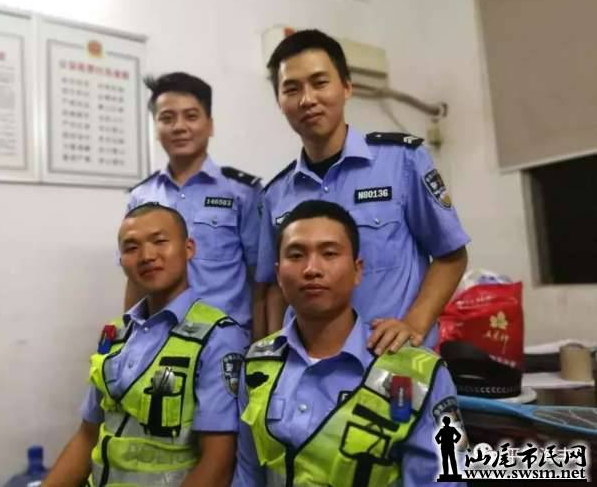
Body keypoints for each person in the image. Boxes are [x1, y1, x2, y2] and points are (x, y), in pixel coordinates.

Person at [256, 29, 470, 353]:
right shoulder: (275, 195)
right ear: (279, 102)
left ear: (346, 87)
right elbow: (275, 288)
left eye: (319, 82)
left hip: (390, 362)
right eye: (292, 89)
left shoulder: (402, 162)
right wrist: (275, 356)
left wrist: (414, 325)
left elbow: (451, 255)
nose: (307, 99)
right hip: (309, 369)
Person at [234, 200, 466, 486]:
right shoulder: (257, 364)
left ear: (358, 270)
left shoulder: (420, 375)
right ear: (279, 274)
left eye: (329, 253)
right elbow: (247, 475)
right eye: (296, 255)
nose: (312, 269)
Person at [44, 203, 248, 487]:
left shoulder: (218, 337)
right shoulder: (115, 335)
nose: (147, 256)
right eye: (131, 248)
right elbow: (87, 436)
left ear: (188, 248)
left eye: (160, 241)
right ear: (121, 260)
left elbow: (218, 463)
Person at [125, 72, 264, 336]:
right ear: (156, 127)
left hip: (225, 340)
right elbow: (135, 279)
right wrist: (127, 341)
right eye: (167, 118)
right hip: (159, 339)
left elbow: (261, 280)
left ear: (210, 125)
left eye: (191, 116)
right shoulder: (141, 196)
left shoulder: (242, 192)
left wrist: (261, 347)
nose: (179, 127)